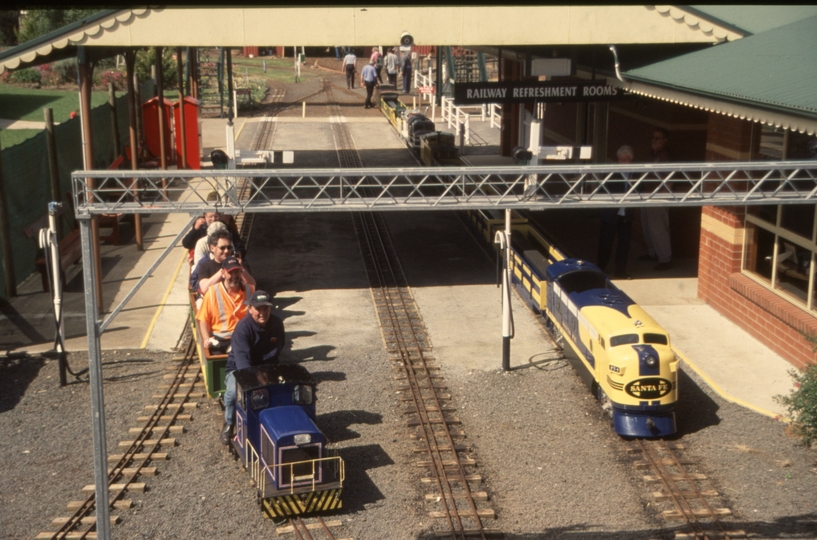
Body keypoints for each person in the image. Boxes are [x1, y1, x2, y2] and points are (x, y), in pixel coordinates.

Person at [220, 290, 286, 445]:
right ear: (249, 309)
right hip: (239, 369)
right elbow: (243, 360)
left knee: (284, 389)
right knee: (231, 393)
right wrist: (256, 380)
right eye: (258, 309)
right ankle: (229, 424)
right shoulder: (243, 328)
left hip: (267, 366)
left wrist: (269, 374)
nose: (262, 313)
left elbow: (278, 349)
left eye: (266, 308)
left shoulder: (277, 323)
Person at [195, 256, 255, 355]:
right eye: (230, 272)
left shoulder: (250, 290)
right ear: (223, 273)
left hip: (244, 337)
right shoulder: (212, 292)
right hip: (221, 340)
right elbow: (203, 320)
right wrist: (206, 339)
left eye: (237, 272)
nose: (234, 275)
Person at [597, 146, 635, 279]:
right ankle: (600, 270)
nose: (623, 162)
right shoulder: (611, 173)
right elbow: (601, 191)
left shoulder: (636, 174)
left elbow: (640, 190)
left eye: (626, 159)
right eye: (620, 159)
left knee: (624, 244)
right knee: (605, 243)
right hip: (610, 214)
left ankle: (620, 271)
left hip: (626, 215)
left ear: (630, 160)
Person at [639, 128, 673, 271]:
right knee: (647, 227)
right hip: (646, 195)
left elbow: (669, 179)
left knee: (658, 229)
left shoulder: (665, 157)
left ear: (665, 140)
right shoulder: (651, 154)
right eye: (653, 138)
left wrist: (662, 197)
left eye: (658, 138)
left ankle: (665, 259)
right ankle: (652, 253)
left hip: (658, 197)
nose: (654, 141)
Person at [190, 228, 255, 296]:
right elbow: (204, 289)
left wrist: (241, 268)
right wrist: (224, 270)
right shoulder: (205, 266)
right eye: (222, 248)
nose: (226, 251)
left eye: (229, 247)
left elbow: (252, 286)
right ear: (212, 248)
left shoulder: (239, 263)